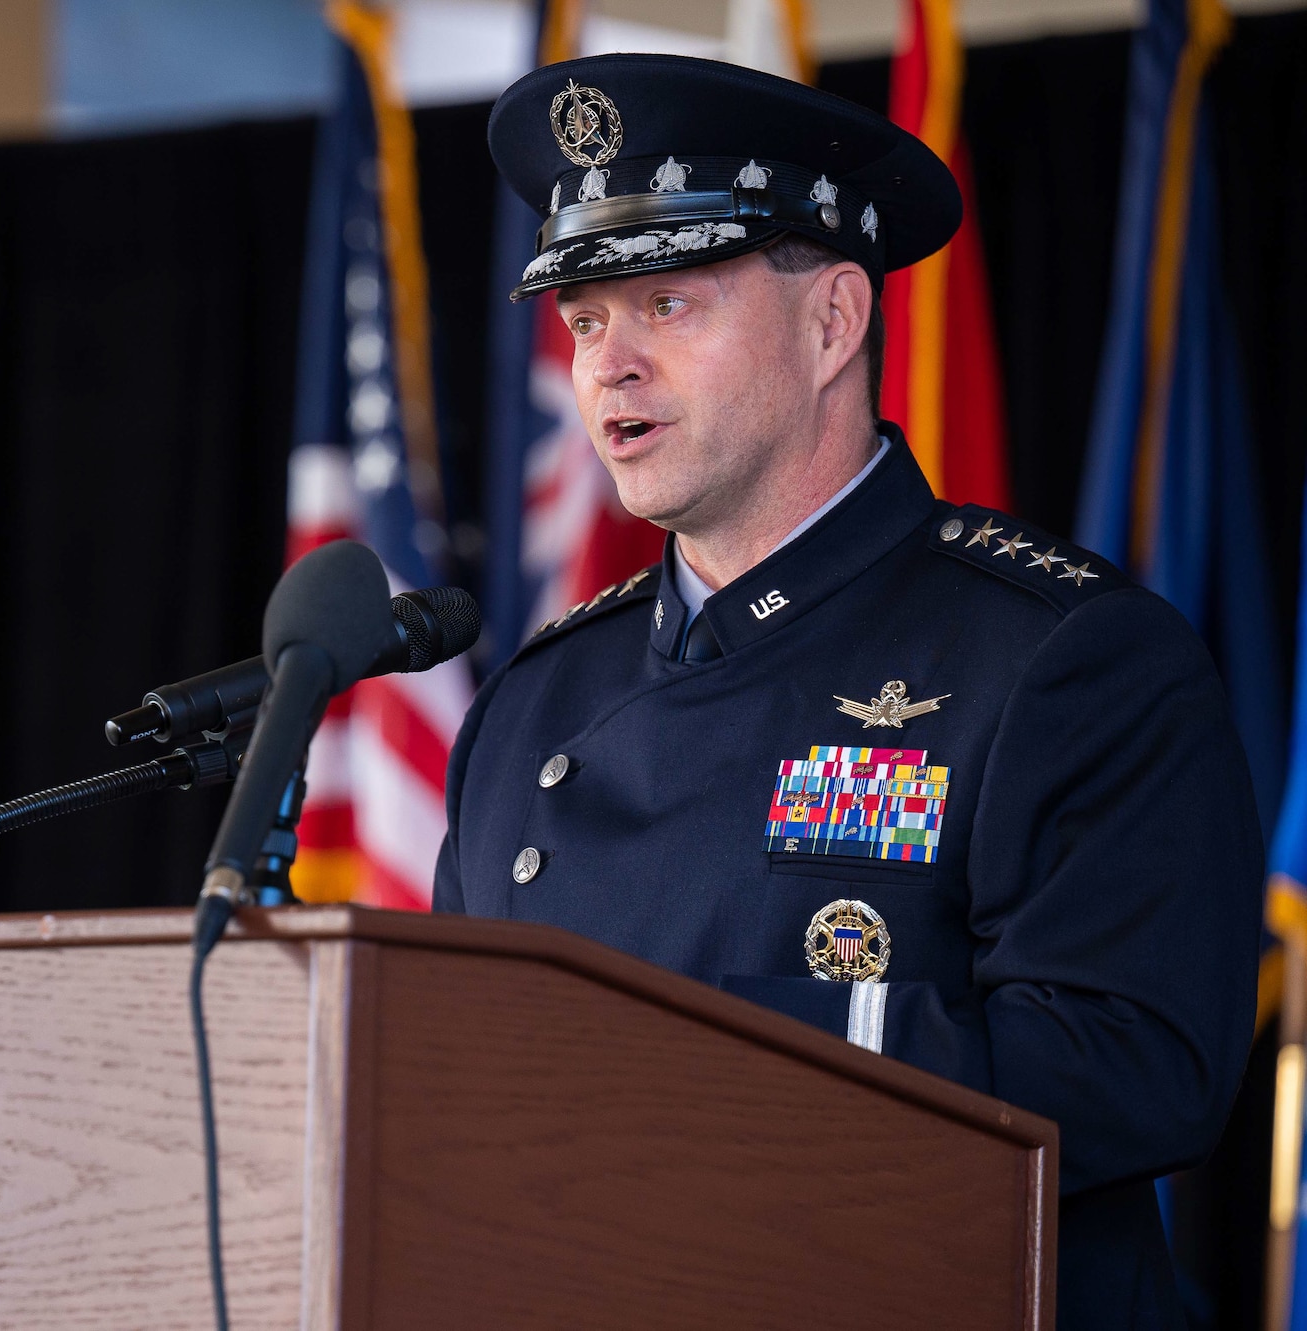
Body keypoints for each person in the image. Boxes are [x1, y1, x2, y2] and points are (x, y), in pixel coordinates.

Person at [434, 53, 1261, 1330]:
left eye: (666, 304)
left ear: (833, 321)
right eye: (586, 318)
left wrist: (663, 1061)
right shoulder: (533, 703)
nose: (607, 365)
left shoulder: (1062, 654)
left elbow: (1136, 1066)